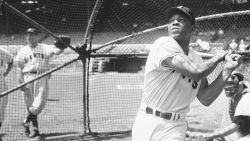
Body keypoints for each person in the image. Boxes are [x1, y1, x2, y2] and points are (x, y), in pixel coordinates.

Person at [131, 6, 243, 141]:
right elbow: (197, 72)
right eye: (171, 20)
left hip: (175, 127)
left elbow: (206, 98)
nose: (175, 22)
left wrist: (227, 69)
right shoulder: (163, 44)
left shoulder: (196, 59)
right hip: (148, 121)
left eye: (181, 20)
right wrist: (218, 57)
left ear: (192, 28)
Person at [14, 28, 64, 138]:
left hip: (41, 76)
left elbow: (57, 51)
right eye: (28, 35)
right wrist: (20, 82)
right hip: (27, 77)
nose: (30, 37)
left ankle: (26, 121)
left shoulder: (44, 47)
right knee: (30, 105)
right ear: (26, 37)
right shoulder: (23, 51)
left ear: (37, 36)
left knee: (40, 101)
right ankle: (35, 129)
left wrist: (62, 45)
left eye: (32, 35)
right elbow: (19, 67)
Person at [196, 71, 250, 141]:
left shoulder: (246, 99)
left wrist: (210, 136)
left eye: (231, 84)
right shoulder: (234, 98)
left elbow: (234, 127)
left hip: (246, 135)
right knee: (218, 138)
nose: (229, 87)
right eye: (227, 84)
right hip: (242, 133)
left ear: (241, 85)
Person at [0, 47, 13, 131]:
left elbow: (11, 61)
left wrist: (6, 72)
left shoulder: (2, 51)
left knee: (1, 106)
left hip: (0, 80)